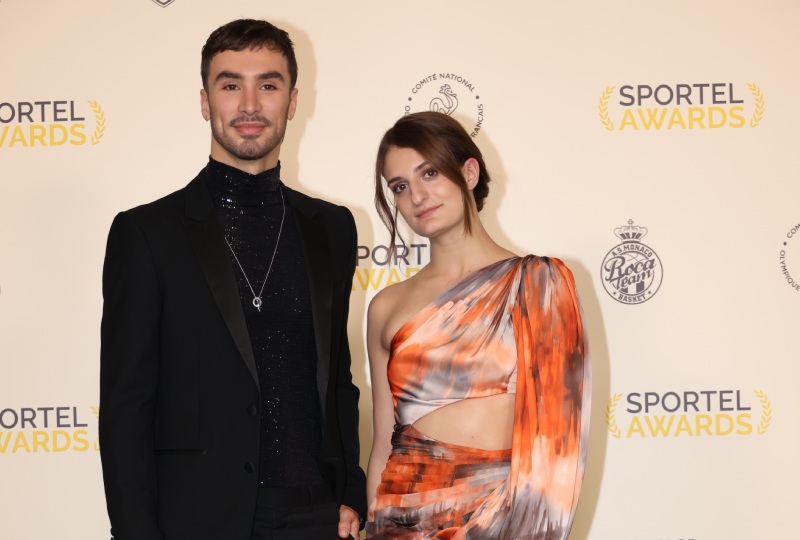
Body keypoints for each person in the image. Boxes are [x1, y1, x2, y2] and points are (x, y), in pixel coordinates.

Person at [99, 19, 365, 540]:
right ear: (205, 101)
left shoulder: (331, 227)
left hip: (317, 516)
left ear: (292, 101)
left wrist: (350, 493)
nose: (249, 105)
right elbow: (126, 408)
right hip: (198, 520)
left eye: (267, 85)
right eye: (230, 85)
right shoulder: (147, 233)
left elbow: (338, 379)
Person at [365, 111, 591, 539]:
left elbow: (557, 448)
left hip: (499, 519)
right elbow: (382, 444)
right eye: (400, 186)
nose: (417, 195)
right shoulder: (386, 306)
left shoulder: (539, 282)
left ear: (468, 171)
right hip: (400, 519)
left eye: (428, 172)